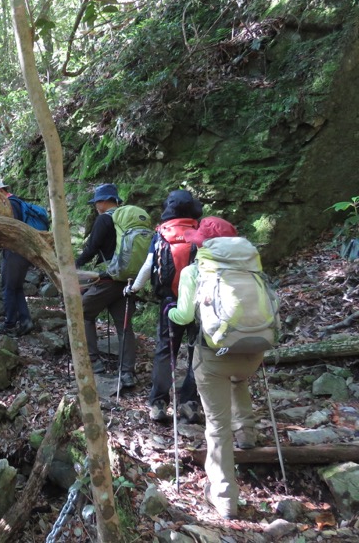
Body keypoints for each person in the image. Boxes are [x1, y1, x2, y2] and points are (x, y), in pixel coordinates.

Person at [168, 216, 264, 520]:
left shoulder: (193, 272)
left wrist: (171, 312)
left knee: (217, 425)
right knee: (238, 379)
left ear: (202, 244)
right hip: (253, 351)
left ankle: (223, 496)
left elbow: (184, 317)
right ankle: (247, 430)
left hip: (213, 354)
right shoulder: (251, 267)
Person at [126, 190, 203, 423]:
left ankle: (158, 403)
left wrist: (133, 289)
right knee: (196, 351)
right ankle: (190, 402)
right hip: (198, 303)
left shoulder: (161, 234)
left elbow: (149, 266)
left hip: (169, 302)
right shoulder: (200, 233)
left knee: (165, 350)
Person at [75, 183, 137, 388]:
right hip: (129, 280)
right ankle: (127, 373)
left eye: (96, 202)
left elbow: (92, 248)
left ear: (103, 202)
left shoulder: (104, 219)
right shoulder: (129, 222)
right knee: (125, 326)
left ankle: (93, 362)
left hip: (109, 278)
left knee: (82, 312)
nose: (95, 206)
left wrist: (75, 264)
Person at [0, 178, 35, 337]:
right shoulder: (17, 202)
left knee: (8, 288)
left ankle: (10, 323)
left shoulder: (10, 204)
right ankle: (25, 321)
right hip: (23, 251)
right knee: (16, 287)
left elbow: (9, 228)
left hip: (14, 252)